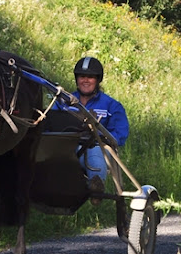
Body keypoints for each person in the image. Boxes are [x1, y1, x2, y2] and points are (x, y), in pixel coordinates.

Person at [54, 56, 129, 204]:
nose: (86, 80)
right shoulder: (64, 101)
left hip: (97, 147)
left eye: (90, 77)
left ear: (98, 80)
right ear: (77, 79)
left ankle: (96, 187)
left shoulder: (112, 106)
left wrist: (98, 136)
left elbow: (120, 135)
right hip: (67, 146)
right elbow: (51, 122)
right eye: (82, 76)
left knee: (93, 151)